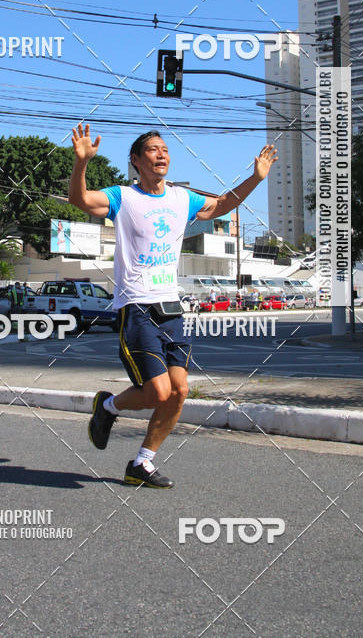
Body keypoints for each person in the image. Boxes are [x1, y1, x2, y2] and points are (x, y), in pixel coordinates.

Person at [68, 123, 277, 489]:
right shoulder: (122, 197)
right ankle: (107, 407)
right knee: (158, 392)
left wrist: (256, 178)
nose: (161, 153)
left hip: (171, 308)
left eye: (164, 148)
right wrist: (81, 163)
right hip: (136, 306)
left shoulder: (183, 198)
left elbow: (223, 205)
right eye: (152, 149)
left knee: (179, 390)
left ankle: (142, 463)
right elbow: (81, 200)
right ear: (136, 160)